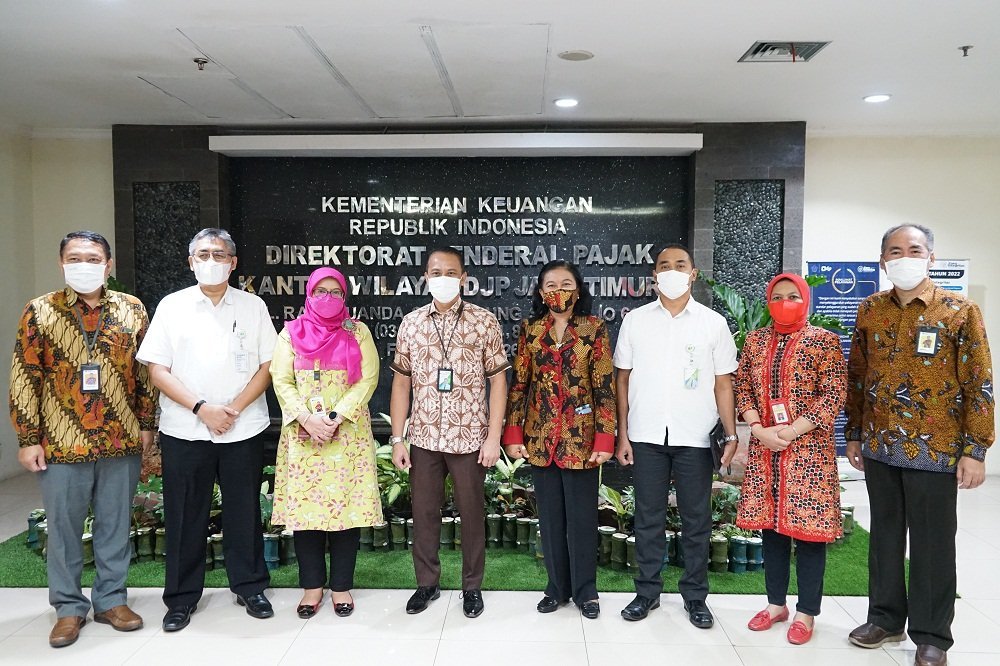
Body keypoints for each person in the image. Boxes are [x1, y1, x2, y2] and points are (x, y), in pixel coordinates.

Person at [845, 224, 994, 666]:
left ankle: (932, 635)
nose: (904, 257)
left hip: (937, 449)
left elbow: (979, 383)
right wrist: (854, 433)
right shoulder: (871, 309)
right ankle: (885, 618)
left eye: (914, 250)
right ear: (883, 260)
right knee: (885, 537)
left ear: (931, 257)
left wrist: (976, 450)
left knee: (932, 544)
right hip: (881, 446)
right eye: (895, 251)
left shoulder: (960, 310)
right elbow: (858, 375)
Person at [9, 231, 157, 648]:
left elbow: (145, 372)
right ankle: (68, 608)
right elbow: (25, 375)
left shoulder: (132, 309)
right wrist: (27, 437)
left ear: (108, 264)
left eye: (93, 258)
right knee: (64, 529)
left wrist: (148, 424)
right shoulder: (39, 311)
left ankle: (111, 601)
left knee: (115, 525)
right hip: (61, 441)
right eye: (74, 258)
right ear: (61, 263)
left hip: (120, 437)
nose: (84, 265)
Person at [137, 228, 278, 632]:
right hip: (186, 429)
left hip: (242, 427)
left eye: (219, 254)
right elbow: (157, 370)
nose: (211, 261)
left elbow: (268, 365)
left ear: (233, 263)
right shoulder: (172, 306)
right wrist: (202, 409)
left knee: (244, 511)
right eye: (203, 254)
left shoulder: (252, 306)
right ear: (191, 261)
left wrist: (232, 409)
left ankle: (250, 587)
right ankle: (181, 598)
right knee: (185, 514)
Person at [614, 243, 739, 628]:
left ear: (693, 273)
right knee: (647, 517)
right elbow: (622, 379)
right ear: (654, 275)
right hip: (646, 434)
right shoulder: (636, 321)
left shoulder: (712, 323)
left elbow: (723, 383)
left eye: (679, 264)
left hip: (696, 437)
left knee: (696, 520)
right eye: (664, 265)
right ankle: (647, 592)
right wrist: (623, 434)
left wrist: (731, 434)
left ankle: (695, 597)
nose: (671, 271)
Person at [389, 246, 509, 619]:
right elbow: (401, 384)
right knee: (424, 513)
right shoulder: (411, 323)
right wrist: (397, 438)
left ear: (464, 278)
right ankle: (427, 583)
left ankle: (471, 587)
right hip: (424, 436)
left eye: (451, 273)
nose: (443, 278)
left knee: (472, 515)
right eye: (436, 272)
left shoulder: (484, 321)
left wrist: (493, 437)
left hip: (469, 437)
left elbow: (498, 382)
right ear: (425, 277)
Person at [734, 273, 847, 645]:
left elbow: (834, 393)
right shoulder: (755, 341)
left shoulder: (824, 341)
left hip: (808, 451)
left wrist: (792, 431)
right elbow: (743, 387)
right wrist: (759, 428)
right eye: (778, 296)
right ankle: (775, 605)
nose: (785, 302)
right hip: (766, 449)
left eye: (793, 296)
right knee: (772, 530)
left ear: (806, 300)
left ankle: (806, 612)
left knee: (810, 534)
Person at [502, 261, 616, 619]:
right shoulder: (531, 329)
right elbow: (519, 385)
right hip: (540, 438)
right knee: (550, 521)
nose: (558, 291)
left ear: (578, 290)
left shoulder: (594, 328)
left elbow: (604, 386)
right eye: (551, 285)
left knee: (582, 520)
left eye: (566, 284)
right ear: (541, 292)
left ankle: (586, 592)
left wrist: (605, 439)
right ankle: (556, 588)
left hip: (582, 440)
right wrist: (513, 434)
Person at [269, 267, 382, 618]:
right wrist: (306, 418)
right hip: (304, 436)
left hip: (346, 435)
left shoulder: (357, 331)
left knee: (346, 512)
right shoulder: (290, 333)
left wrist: (335, 417)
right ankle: (312, 587)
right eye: (321, 291)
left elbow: (368, 379)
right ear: (309, 294)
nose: (328, 298)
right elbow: (281, 379)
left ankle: (342, 586)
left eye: (336, 292)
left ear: (345, 296)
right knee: (307, 515)